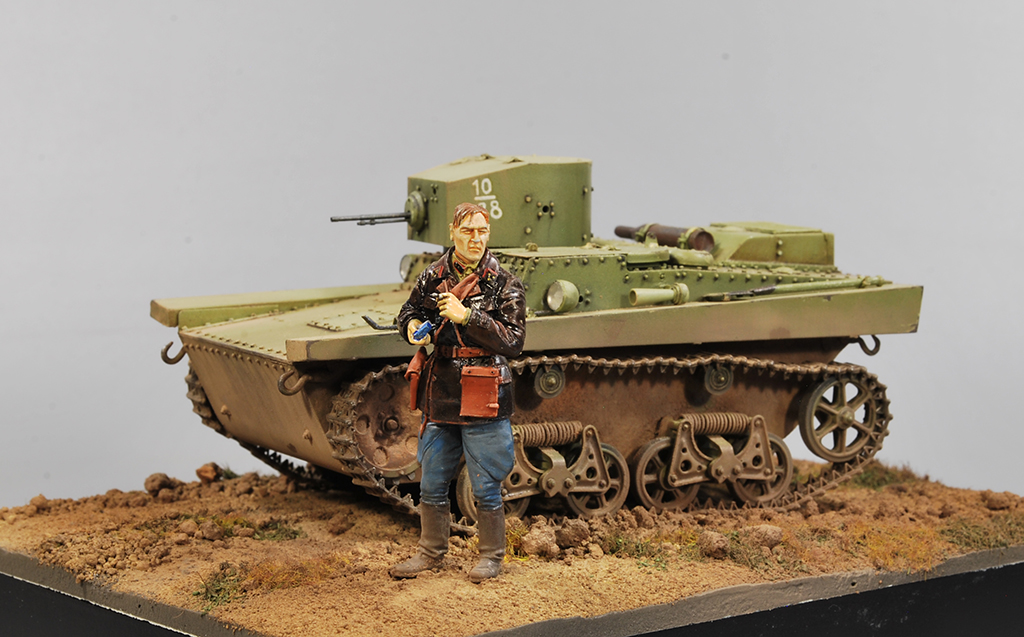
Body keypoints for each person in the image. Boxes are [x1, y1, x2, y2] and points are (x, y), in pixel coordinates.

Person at [390, 202, 526, 583]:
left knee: (486, 482)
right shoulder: (432, 276)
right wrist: (412, 326)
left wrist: (469, 316)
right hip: (443, 389)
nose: (476, 239)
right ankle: (431, 551)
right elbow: (407, 312)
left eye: (482, 231)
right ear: (453, 233)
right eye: (468, 231)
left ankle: (491, 556)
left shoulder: (504, 284)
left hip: (483, 388)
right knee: (432, 479)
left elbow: (514, 341)